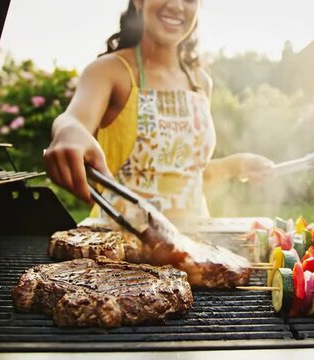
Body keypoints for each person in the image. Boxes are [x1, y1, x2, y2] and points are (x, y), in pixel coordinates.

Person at [43, 0, 273, 224]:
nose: (176, 5)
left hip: (193, 243)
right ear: (138, 2)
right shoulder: (109, 71)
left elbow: (186, 178)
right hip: (120, 245)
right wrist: (68, 130)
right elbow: (73, 119)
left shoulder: (200, 81)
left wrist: (237, 165)